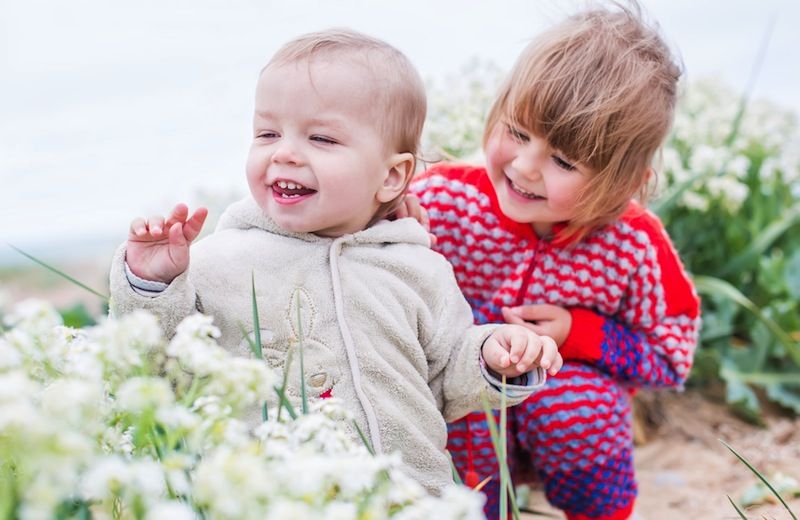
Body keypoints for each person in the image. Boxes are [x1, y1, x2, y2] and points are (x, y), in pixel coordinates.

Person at [108, 29, 563, 495]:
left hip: (412, 497)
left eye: (321, 138)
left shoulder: (417, 267)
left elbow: (446, 376)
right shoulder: (220, 263)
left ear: (390, 176)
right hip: (275, 500)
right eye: (266, 133)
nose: (283, 152)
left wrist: (492, 356)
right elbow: (158, 366)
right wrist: (151, 285)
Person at [407, 3, 700, 518]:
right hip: (465, 403)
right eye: (517, 132)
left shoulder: (633, 244)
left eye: (564, 161)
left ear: (627, 183)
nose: (524, 166)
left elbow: (670, 355)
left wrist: (579, 333)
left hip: (566, 419)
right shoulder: (442, 201)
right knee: (460, 398)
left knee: (575, 408)